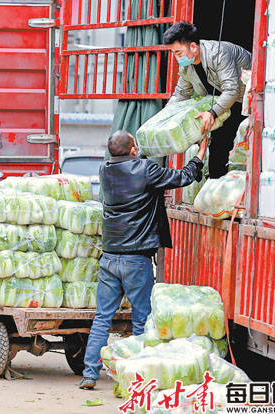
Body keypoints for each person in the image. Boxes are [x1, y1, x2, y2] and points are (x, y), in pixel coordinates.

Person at [78, 130, 207, 390]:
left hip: (110, 258)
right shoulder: (145, 171)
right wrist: (200, 153)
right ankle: (136, 377)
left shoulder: (105, 171)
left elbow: (132, 164)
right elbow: (183, 177)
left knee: (102, 318)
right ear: (133, 150)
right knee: (141, 319)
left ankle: (89, 374)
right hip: (136, 260)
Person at [163, 22, 251, 178]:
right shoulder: (187, 65)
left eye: (178, 52)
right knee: (217, 144)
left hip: (245, 100)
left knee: (238, 144)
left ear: (194, 47)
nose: (176, 57)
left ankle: (231, 187)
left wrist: (212, 112)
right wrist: (163, 118)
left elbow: (232, 89)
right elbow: (181, 93)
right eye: (173, 52)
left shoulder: (218, 54)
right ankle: (216, 183)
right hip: (221, 104)